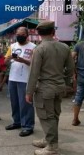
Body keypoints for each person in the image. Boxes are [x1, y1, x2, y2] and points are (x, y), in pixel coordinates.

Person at [26, 21, 74, 155]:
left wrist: (29, 92)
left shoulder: (39, 49)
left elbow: (34, 72)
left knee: (47, 117)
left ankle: (52, 146)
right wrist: (63, 82)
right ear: (53, 32)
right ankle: (48, 139)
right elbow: (70, 69)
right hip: (59, 87)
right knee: (54, 115)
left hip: (45, 88)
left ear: (38, 33)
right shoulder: (65, 47)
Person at [4, 27, 36, 137]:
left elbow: (34, 63)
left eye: (22, 34)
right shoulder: (12, 46)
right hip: (13, 78)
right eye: (18, 34)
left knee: (26, 104)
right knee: (15, 102)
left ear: (27, 35)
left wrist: (22, 60)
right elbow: (5, 61)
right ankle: (17, 122)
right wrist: (8, 59)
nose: (19, 36)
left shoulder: (33, 47)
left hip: (25, 79)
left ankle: (28, 126)